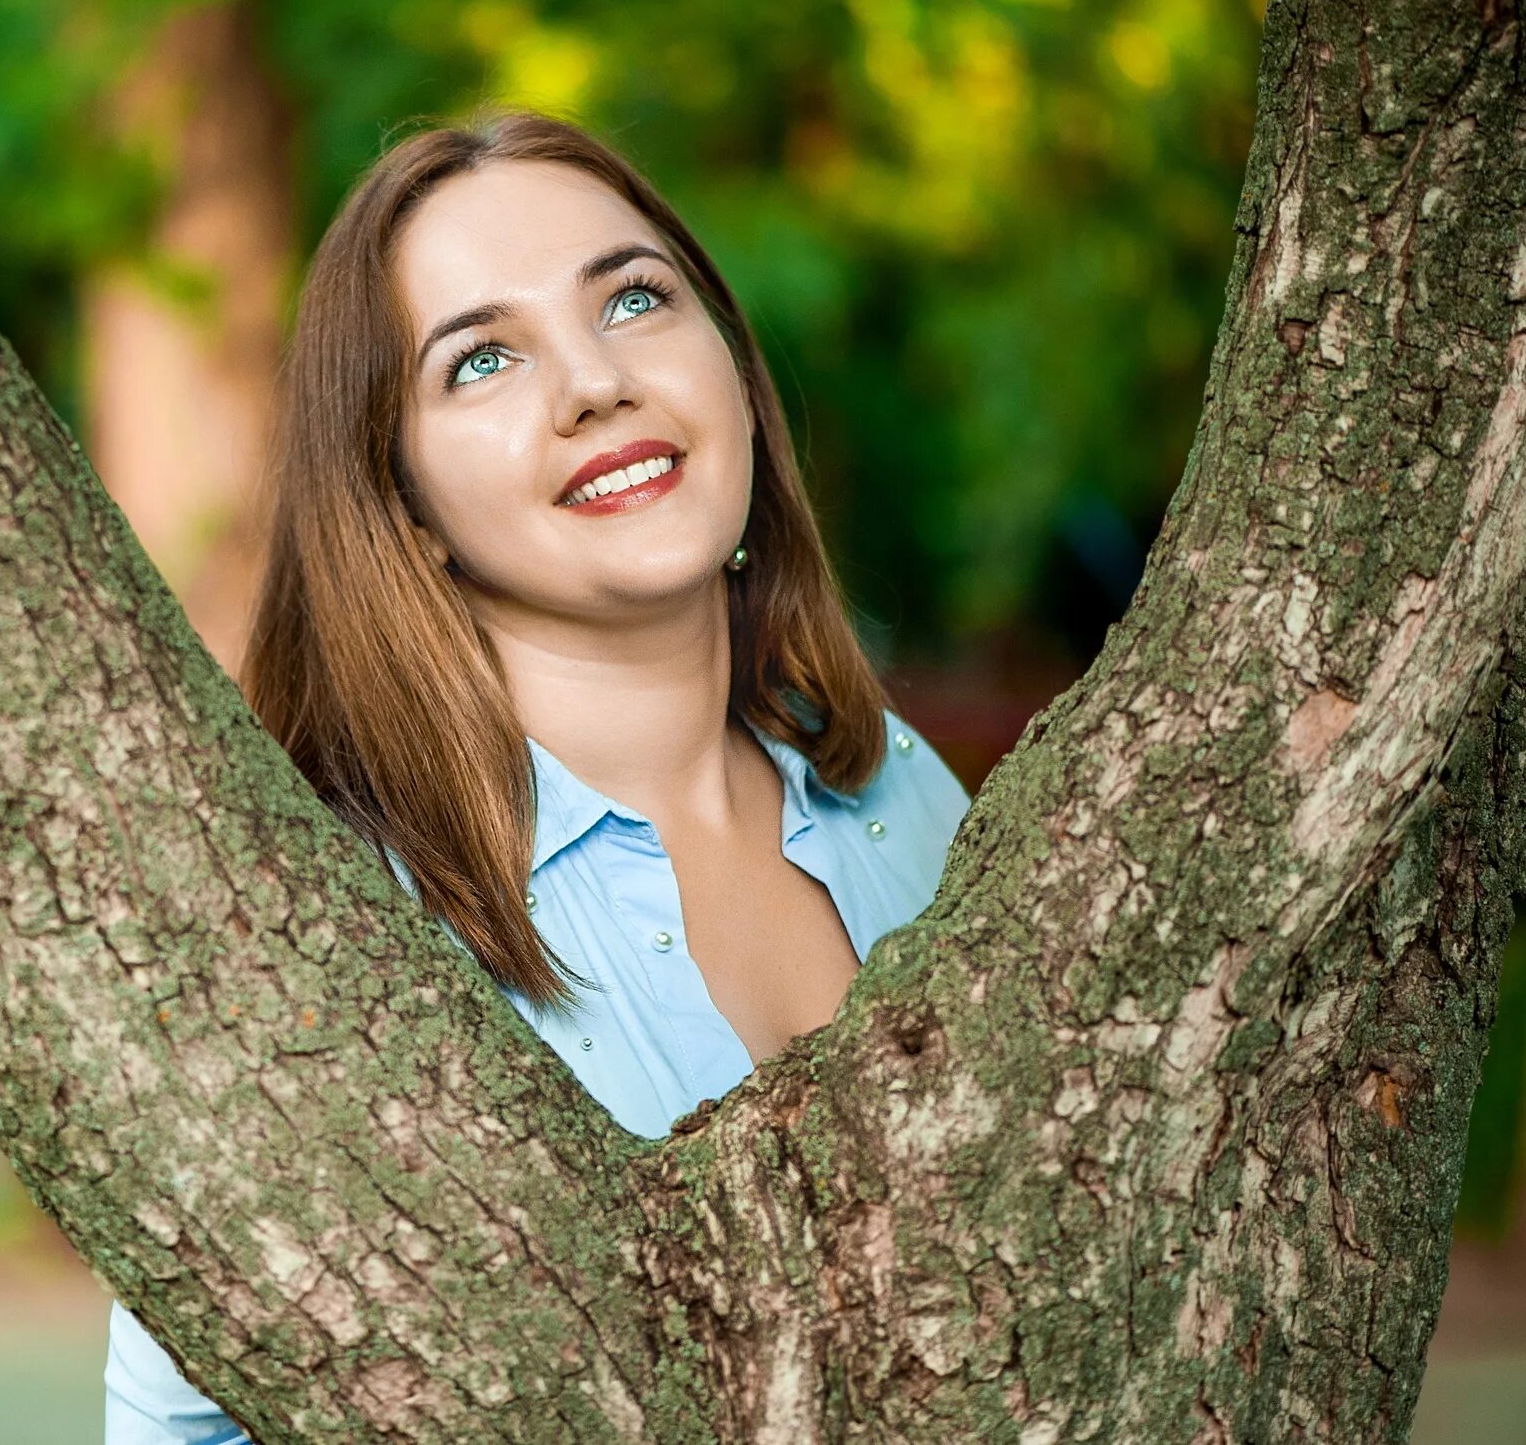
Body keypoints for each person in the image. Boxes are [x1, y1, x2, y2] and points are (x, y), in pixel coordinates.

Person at [103, 107, 974, 1444]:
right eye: (483, 360)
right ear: (403, 504)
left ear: (734, 367)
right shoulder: (333, 927)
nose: (592, 383)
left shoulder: (902, 793)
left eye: (632, 298)